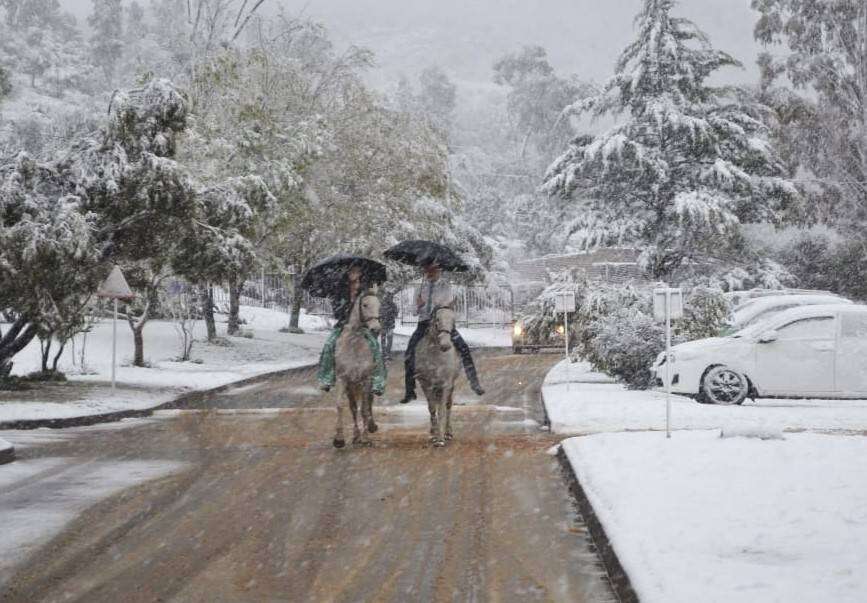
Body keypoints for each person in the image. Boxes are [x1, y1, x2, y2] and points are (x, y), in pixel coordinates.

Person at [398, 261, 485, 404]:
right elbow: (413, 311)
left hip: (443, 323)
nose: (431, 273)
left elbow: (446, 306)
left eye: (434, 270)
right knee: (409, 352)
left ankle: (474, 382)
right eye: (428, 269)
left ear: (439, 271)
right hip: (424, 324)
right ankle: (410, 390)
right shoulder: (419, 288)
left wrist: (434, 306)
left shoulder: (445, 286)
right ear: (425, 271)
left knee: (463, 348)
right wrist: (419, 305)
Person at [317, 265, 387, 395]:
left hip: (362, 328)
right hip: (343, 326)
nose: (354, 274)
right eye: (352, 271)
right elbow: (336, 311)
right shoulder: (340, 291)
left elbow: (371, 307)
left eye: (357, 271)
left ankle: (378, 381)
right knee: (329, 344)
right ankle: (326, 378)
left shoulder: (364, 291)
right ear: (347, 273)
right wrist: (346, 308)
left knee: (375, 347)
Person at [380, 290, 398, 361]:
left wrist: (392, 315)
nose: (391, 298)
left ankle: (387, 354)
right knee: (384, 339)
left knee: (388, 340)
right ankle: (385, 354)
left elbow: (396, 314)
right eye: (390, 297)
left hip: (389, 325)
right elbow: (380, 314)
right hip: (384, 324)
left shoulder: (393, 305)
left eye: (391, 297)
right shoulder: (383, 304)